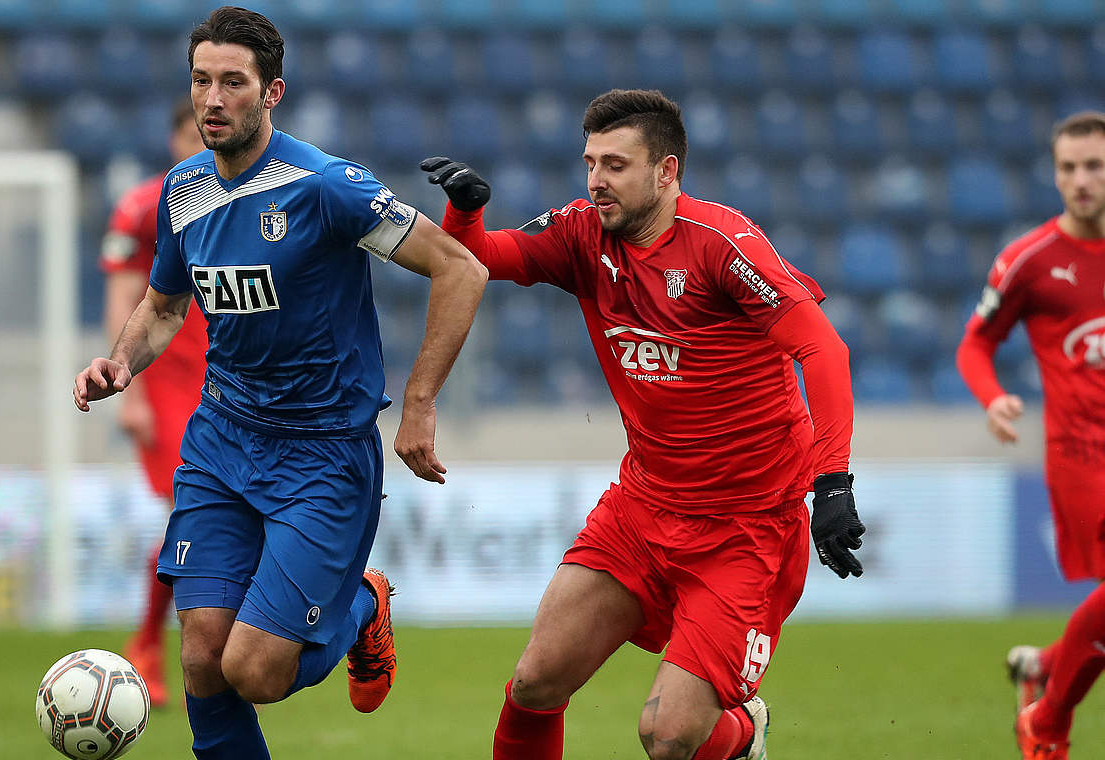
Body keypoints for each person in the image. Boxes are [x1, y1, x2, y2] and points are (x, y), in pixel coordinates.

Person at [72, 7, 487, 759]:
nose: (212, 99)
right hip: (223, 441)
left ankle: (364, 605)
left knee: (254, 671)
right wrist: (121, 363)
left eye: (233, 82)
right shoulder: (183, 191)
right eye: (201, 81)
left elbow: (460, 267)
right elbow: (165, 304)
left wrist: (419, 405)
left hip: (322, 454)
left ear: (272, 93)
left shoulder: (326, 187)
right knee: (201, 657)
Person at [421, 88, 864, 760]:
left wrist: (832, 484)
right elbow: (480, 258)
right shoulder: (579, 232)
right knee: (536, 682)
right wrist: (464, 211)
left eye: (616, 165)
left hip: (747, 528)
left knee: (667, 737)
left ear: (667, 172)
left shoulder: (723, 245)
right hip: (643, 508)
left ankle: (743, 735)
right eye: (590, 162)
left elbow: (824, 351)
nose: (597, 180)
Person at [956, 111, 1105, 760]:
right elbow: (975, 343)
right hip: (1081, 457)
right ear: (1053, 173)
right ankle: (1047, 720)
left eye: (1094, 166)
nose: (1081, 180)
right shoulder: (1030, 260)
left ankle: (1046, 667)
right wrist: (992, 399)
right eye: (1068, 167)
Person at [102, 97, 209, 709]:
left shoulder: (247, 198)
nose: (199, 148)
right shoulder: (149, 206)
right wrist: (130, 388)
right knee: (188, 511)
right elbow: (124, 299)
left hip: (225, 370)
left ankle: (163, 645)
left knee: (206, 517)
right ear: (172, 141)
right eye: (190, 137)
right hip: (165, 376)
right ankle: (147, 645)